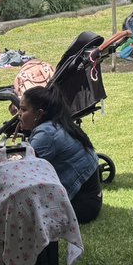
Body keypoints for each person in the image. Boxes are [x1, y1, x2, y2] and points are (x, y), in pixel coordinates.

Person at [19, 86, 102, 224]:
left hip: (80, 207)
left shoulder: (46, 134)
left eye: (23, 109)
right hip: (92, 200)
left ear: (39, 114)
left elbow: (24, 173)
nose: (19, 114)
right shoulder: (59, 124)